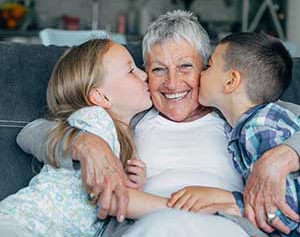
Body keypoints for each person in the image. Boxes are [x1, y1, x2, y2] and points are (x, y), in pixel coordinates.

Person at [16, 10, 300, 236]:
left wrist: (278, 158)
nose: (172, 83)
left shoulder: (239, 110)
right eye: (158, 69)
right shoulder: (133, 114)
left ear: (214, 71)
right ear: (145, 74)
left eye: (186, 67)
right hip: (148, 225)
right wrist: (89, 146)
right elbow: (32, 131)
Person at [167, 32, 300, 237]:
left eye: (209, 66)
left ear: (231, 81)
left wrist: (224, 200)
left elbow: (285, 209)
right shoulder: (250, 124)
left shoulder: (260, 126)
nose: (200, 74)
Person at [0, 39, 177, 236]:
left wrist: (130, 180)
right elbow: (109, 198)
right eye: (131, 71)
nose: (144, 75)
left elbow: (107, 184)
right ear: (101, 98)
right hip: (25, 223)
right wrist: (183, 208)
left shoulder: (118, 135)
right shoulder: (94, 119)